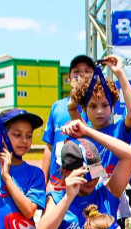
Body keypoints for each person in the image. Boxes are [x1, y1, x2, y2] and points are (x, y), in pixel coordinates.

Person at [0, 109, 45, 229]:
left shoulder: (35, 174)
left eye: (29, 135)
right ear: (1, 136)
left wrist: (6, 176)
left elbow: (29, 210)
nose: (24, 140)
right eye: (17, 135)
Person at [43, 55, 94, 188]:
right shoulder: (57, 106)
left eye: (87, 71)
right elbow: (49, 147)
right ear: (69, 78)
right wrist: (43, 183)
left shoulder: (98, 108)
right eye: (77, 72)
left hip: (85, 185)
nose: (82, 75)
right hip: (57, 185)